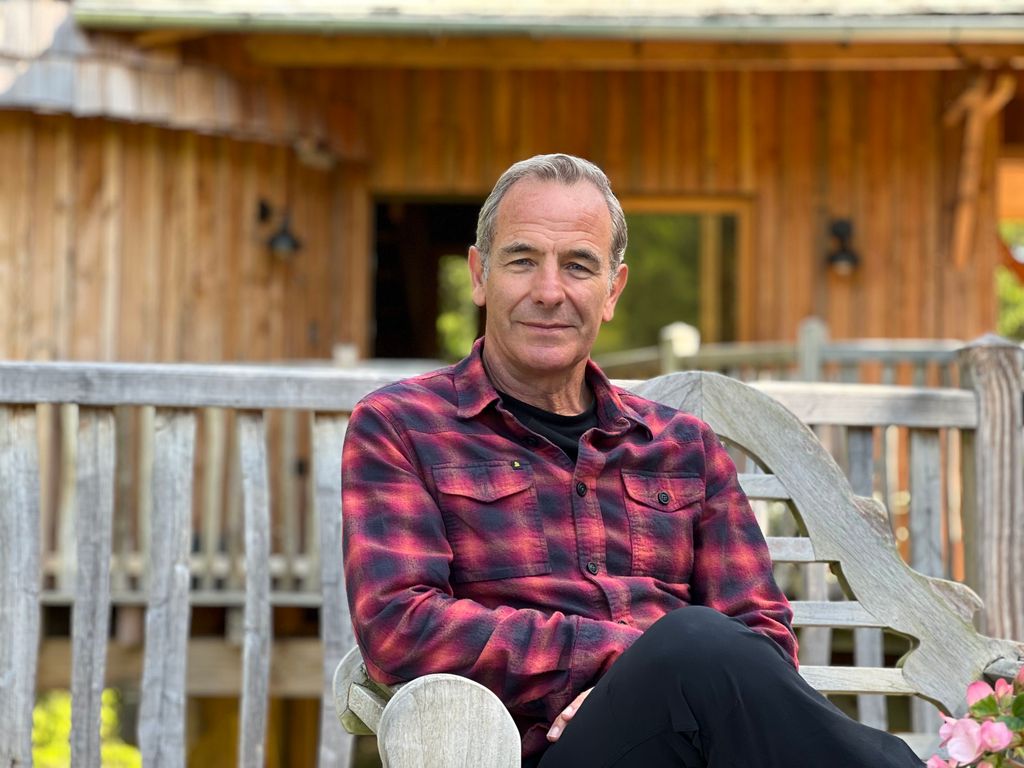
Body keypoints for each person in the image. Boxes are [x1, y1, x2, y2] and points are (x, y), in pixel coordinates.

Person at [342, 154, 924, 767]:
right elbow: (401, 626)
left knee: (696, 648)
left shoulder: (684, 447)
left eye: (578, 265)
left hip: (692, 745)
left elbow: (762, 642)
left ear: (612, 290)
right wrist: (630, 657)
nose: (549, 291)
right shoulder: (401, 426)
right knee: (691, 640)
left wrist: (647, 682)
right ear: (480, 276)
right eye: (522, 261)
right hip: (537, 752)